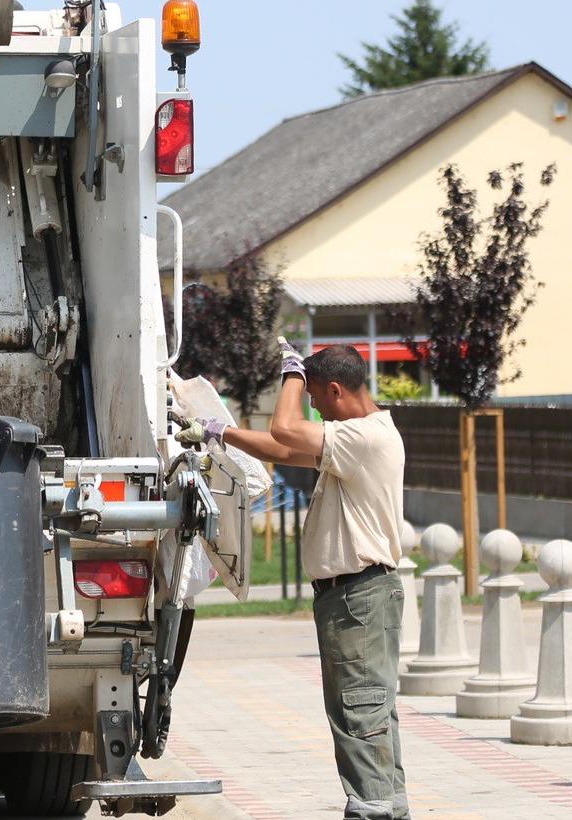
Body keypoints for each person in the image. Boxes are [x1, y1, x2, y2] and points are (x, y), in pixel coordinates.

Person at [175, 341, 408, 820]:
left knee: (359, 713)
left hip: (358, 595)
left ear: (336, 389)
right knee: (369, 714)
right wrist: (222, 432)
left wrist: (293, 374)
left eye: (318, 400)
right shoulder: (356, 436)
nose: (315, 410)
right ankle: (389, 808)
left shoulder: (364, 437)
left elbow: (284, 427)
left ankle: (373, 811)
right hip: (357, 595)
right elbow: (283, 448)